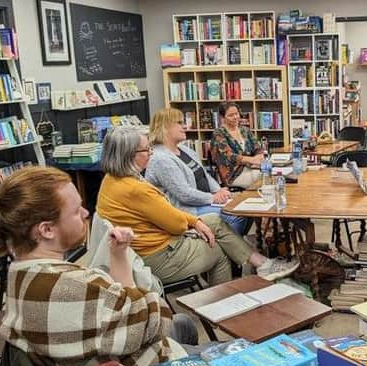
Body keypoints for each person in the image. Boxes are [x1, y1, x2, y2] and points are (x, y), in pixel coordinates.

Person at [0, 166, 198, 366]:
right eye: (76, 210)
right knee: (184, 324)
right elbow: (159, 317)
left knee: (183, 324)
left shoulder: (19, 276)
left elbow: (129, 308)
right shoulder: (76, 287)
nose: (86, 213)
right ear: (46, 229)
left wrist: (118, 256)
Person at [96, 126, 298, 286]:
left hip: (142, 248)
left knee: (213, 221)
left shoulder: (111, 181)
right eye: (145, 149)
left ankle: (262, 264)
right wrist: (194, 223)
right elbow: (176, 224)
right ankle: (224, 306)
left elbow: (166, 214)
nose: (150, 153)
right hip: (158, 255)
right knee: (218, 249)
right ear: (129, 155)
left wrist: (195, 222)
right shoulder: (136, 189)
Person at [145, 107, 251, 235]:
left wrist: (219, 190)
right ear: (165, 128)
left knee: (247, 210)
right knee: (235, 215)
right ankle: (224, 249)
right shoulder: (160, 159)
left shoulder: (185, 150)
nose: (184, 126)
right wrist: (213, 198)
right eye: (179, 123)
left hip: (204, 201)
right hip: (186, 209)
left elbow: (204, 175)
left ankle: (232, 246)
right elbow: (184, 194)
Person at [210, 102, 264, 188]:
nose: (235, 117)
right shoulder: (218, 134)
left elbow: (257, 147)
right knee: (265, 179)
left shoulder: (245, 130)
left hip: (252, 168)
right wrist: (252, 160)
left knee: (272, 173)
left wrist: (259, 156)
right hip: (233, 174)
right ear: (222, 117)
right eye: (231, 115)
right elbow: (228, 156)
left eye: (236, 113)